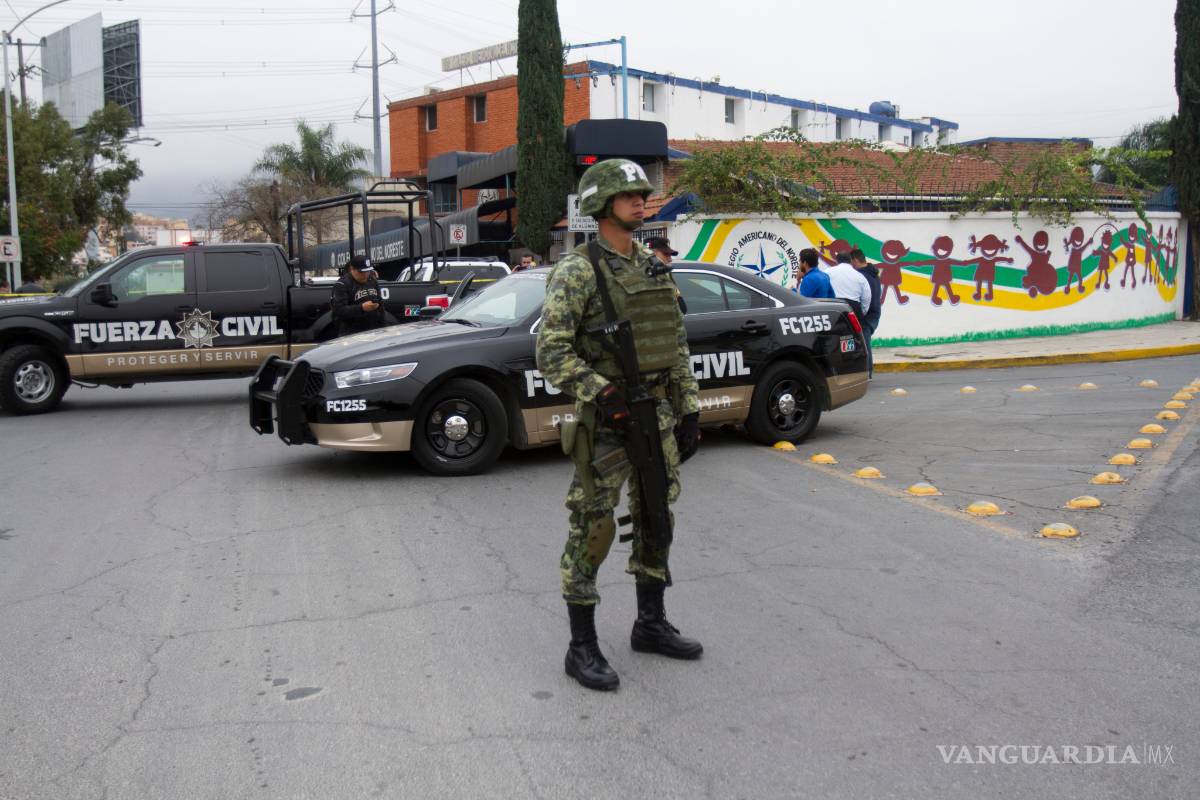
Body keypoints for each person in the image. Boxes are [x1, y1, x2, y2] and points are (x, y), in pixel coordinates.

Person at [536, 158, 703, 692]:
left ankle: (649, 624)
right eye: (629, 195)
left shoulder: (654, 267)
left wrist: (689, 407)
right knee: (594, 526)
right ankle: (580, 645)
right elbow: (551, 352)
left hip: (655, 416)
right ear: (603, 204)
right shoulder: (579, 270)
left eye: (641, 194)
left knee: (657, 514)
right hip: (608, 422)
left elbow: (675, 344)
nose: (641, 201)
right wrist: (601, 393)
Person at [330, 254, 385, 337]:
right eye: (361, 272)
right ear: (352, 269)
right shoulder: (342, 284)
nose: (365, 274)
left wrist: (383, 327)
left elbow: (380, 305)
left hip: (373, 331)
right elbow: (339, 311)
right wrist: (361, 308)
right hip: (351, 333)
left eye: (368, 271)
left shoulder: (372, 281)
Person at [849, 248, 882, 376]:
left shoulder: (862, 276)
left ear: (855, 260)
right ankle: (866, 373)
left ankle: (867, 373)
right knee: (864, 342)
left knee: (864, 344)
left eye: (851, 262)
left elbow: (864, 298)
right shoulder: (873, 272)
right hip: (874, 312)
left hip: (867, 314)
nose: (851, 266)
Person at [823, 250, 872, 320]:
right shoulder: (860, 276)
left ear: (837, 261)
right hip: (852, 309)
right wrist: (860, 314)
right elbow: (866, 297)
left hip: (832, 306)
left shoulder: (827, 272)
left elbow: (820, 288)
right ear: (850, 261)